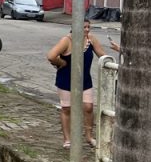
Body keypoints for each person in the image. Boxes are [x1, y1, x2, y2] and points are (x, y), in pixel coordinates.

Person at [46, 20, 117, 148]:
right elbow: (51, 56)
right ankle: (67, 139)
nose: (87, 29)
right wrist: (62, 63)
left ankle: (89, 136)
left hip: (84, 80)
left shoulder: (91, 40)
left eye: (89, 27)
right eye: (84, 27)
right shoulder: (67, 40)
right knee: (67, 108)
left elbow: (102, 56)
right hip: (66, 79)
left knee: (89, 107)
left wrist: (118, 51)